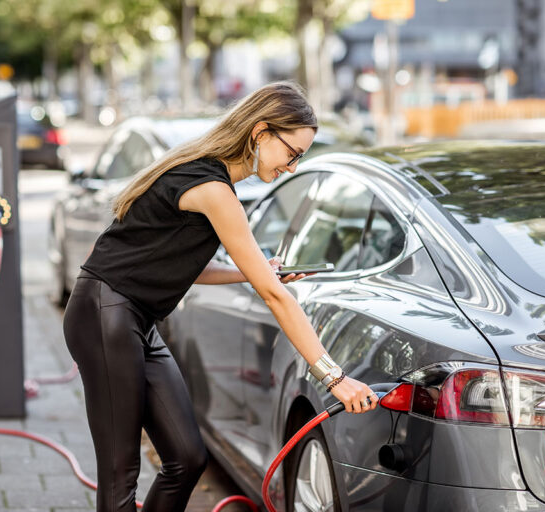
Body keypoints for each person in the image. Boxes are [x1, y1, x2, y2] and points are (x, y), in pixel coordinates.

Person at [62, 81, 379, 512]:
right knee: (120, 475)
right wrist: (335, 378)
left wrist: (252, 272)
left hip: (134, 318)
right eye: (293, 153)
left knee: (187, 457)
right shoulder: (213, 189)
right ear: (261, 133)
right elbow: (276, 299)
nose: (292, 166)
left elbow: (180, 267)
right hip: (105, 313)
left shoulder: (211, 179)